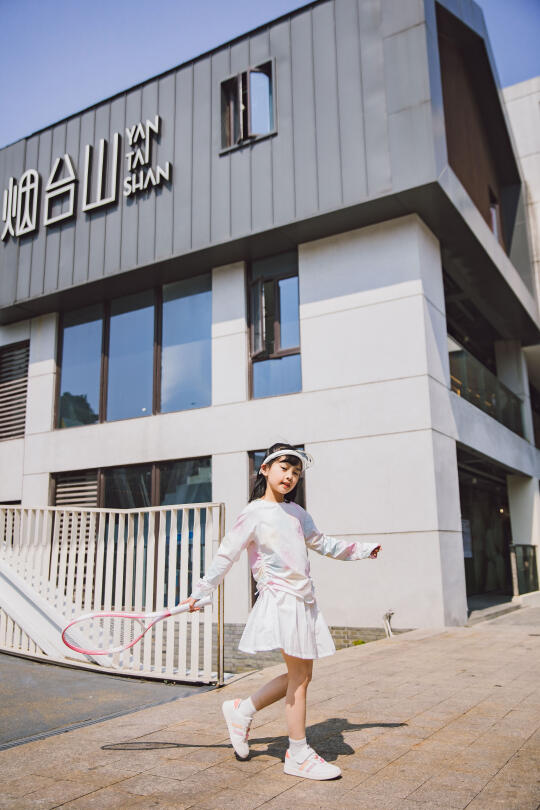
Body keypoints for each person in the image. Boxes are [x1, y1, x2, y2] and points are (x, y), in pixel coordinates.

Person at [181, 442, 381, 780]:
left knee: (301, 676)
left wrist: (361, 550)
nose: (290, 476)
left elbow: (323, 543)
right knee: (299, 679)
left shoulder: (298, 513)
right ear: (265, 469)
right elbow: (226, 555)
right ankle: (298, 753)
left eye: (296, 472)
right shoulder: (253, 513)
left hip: (304, 601)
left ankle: (241, 710)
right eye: (284, 469)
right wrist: (200, 593)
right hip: (280, 600)